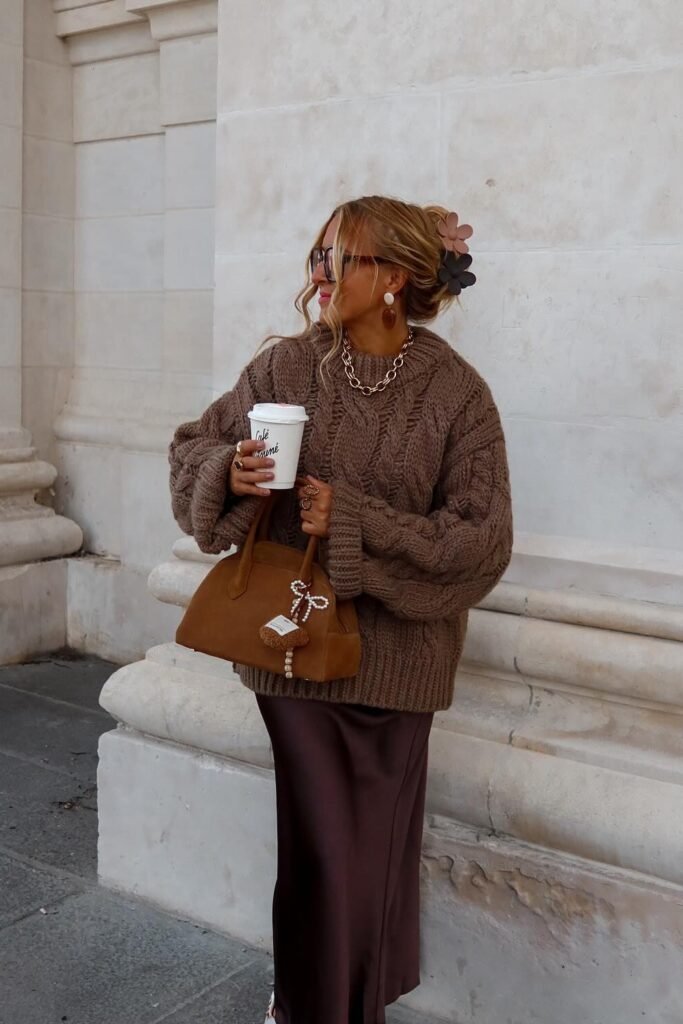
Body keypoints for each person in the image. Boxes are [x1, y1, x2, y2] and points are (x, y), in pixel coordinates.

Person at [168, 195, 513, 1024]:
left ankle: (342, 1000)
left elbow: (481, 540)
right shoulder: (287, 369)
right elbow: (193, 446)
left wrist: (354, 521)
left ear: (393, 276)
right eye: (316, 257)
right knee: (326, 853)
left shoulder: (456, 395)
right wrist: (232, 473)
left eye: (338, 259)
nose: (316, 274)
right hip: (292, 654)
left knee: (373, 859)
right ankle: (310, 1010)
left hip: (399, 664)